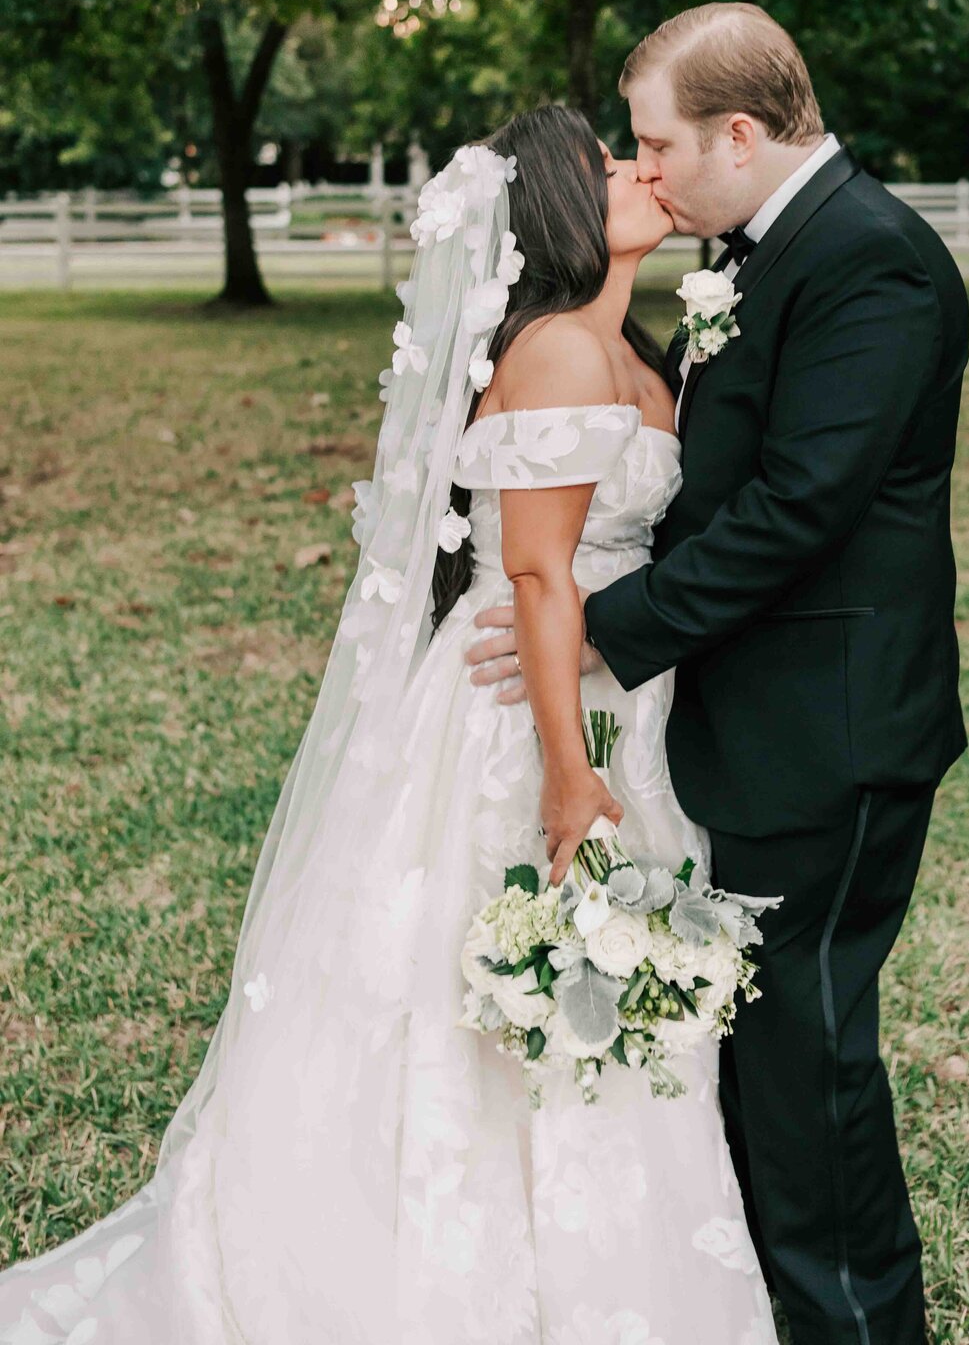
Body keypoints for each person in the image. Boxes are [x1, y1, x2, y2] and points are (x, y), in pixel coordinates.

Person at [0, 105, 779, 1344]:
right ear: (563, 211)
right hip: (527, 722)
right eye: (610, 161)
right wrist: (569, 777)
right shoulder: (563, 355)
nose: (641, 167)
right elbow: (534, 575)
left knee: (599, 976)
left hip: (618, 703)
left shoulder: (631, 347)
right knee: (482, 981)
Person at [467, 3, 969, 1344]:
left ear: (737, 135)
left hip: (833, 728)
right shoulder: (766, 251)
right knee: (752, 1045)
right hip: (742, 722)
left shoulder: (872, 264)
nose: (643, 169)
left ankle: (856, 1326)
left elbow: (800, 510)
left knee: (805, 1055)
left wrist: (601, 632)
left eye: (654, 142)